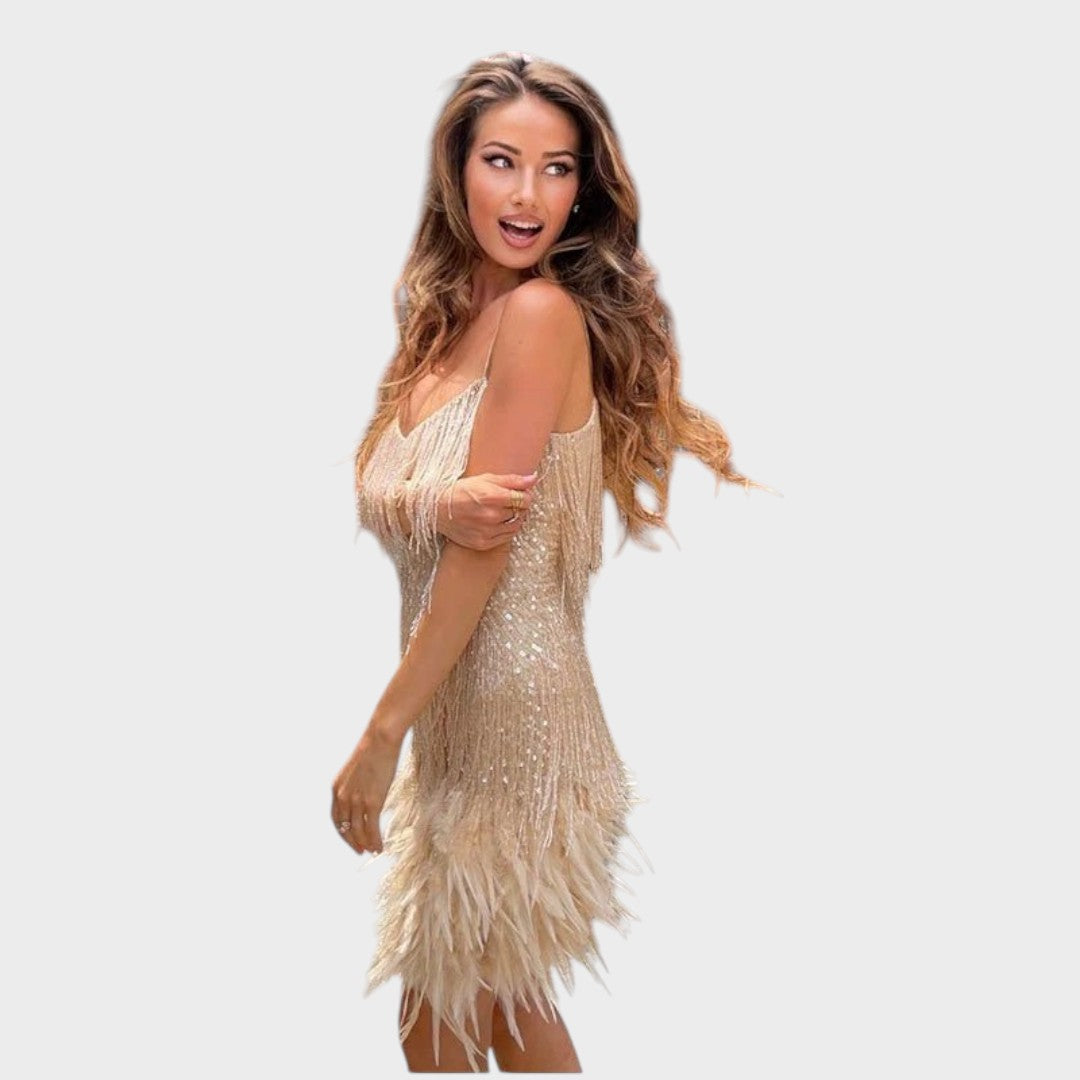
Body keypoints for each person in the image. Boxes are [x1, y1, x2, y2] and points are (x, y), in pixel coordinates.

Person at [336, 51, 772, 1073]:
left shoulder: (538, 317)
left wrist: (379, 734)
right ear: (456, 169)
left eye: (558, 168)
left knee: (450, 1022)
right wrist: (435, 501)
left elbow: (479, 557)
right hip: (458, 725)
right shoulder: (438, 330)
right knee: (483, 1016)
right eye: (501, 161)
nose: (528, 195)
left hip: (522, 731)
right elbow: (408, 502)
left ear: (584, 190)